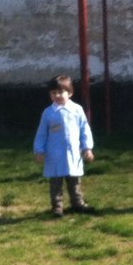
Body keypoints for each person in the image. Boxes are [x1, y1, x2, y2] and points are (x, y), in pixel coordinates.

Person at [33, 75, 96, 215]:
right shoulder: (49, 113)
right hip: (55, 154)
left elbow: (84, 129)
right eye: (53, 93)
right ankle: (57, 206)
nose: (57, 96)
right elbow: (42, 133)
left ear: (70, 93)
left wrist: (87, 148)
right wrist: (39, 150)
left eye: (60, 92)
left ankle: (78, 203)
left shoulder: (77, 110)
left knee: (74, 180)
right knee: (56, 181)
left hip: (73, 153)